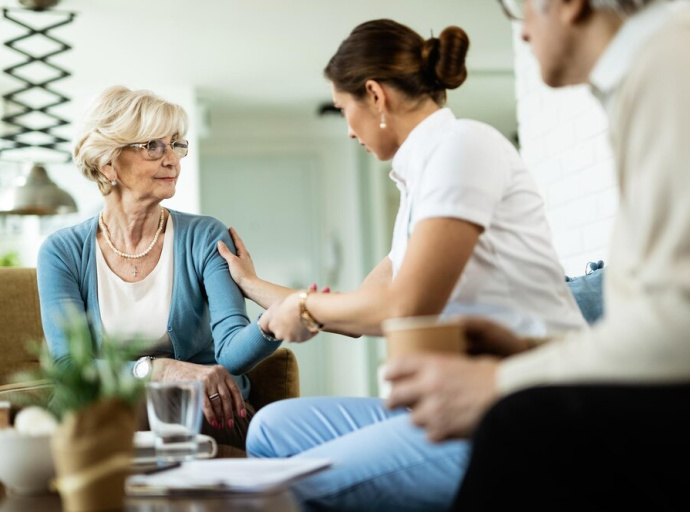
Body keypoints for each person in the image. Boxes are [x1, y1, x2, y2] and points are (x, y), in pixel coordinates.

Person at [217, 19, 584, 511]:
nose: (348, 130)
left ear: (374, 95)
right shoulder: (420, 179)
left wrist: (304, 305)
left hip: (516, 410)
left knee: (281, 488)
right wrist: (251, 283)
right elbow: (360, 310)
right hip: (445, 405)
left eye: (345, 109)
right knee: (272, 428)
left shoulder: (462, 148)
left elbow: (405, 306)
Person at [385, 0, 690, 509]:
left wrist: (499, 381)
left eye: (520, 10)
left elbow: (678, 326)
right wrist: (532, 353)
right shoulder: (646, 74)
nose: (521, 34)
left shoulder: (667, 66)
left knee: (517, 423)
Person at [37, 86, 282, 450]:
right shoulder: (62, 251)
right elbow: (72, 368)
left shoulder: (205, 236)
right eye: (153, 145)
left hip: (202, 410)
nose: (173, 160)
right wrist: (160, 369)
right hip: (105, 412)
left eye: (176, 144)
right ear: (108, 163)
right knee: (94, 418)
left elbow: (230, 351)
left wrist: (274, 320)